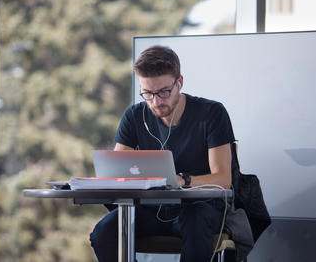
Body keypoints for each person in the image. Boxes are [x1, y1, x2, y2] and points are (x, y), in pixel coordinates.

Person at [89, 45, 235, 262]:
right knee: (104, 232)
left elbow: (223, 179)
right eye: (147, 93)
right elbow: (116, 171)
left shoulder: (211, 114)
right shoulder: (134, 116)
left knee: (194, 220)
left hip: (200, 210)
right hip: (152, 210)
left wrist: (181, 181)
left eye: (164, 92)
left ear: (180, 82)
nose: (156, 102)